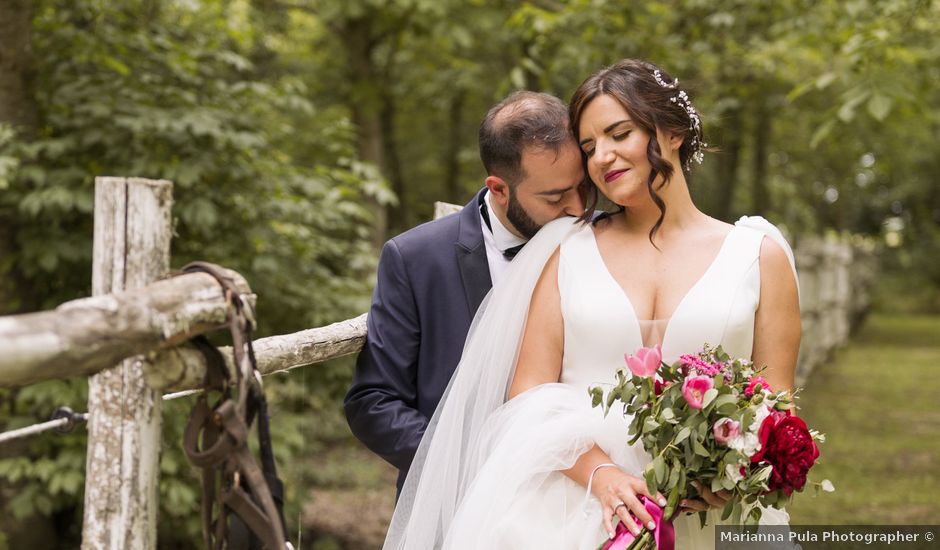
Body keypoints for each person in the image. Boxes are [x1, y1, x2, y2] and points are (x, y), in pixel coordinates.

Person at [383, 59, 801, 550]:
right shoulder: (565, 248)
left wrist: (730, 473)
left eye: (618, 134)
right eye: (588, 146)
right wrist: (600, 473)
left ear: (670, 131)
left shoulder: (758, 255)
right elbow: (526, 393)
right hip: (567, 504)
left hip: (708, 519)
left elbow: (777, 401)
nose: (601, 157)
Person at [344, 91, 585, 493]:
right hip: (458, 499)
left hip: (575, 495)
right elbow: (373, 401)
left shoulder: (602, 240)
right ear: (499, 188)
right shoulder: (414, 258)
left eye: (583, 187)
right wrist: (469, 463)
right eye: (556, 197)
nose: (579, 209)